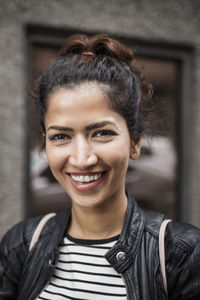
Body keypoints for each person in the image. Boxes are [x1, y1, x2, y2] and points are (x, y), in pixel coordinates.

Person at [0, 34, 200, 300]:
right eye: (60, 136)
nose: (82, 159)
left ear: (135, 143)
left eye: (102, 133)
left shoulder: (183, 254)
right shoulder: (22, 244)